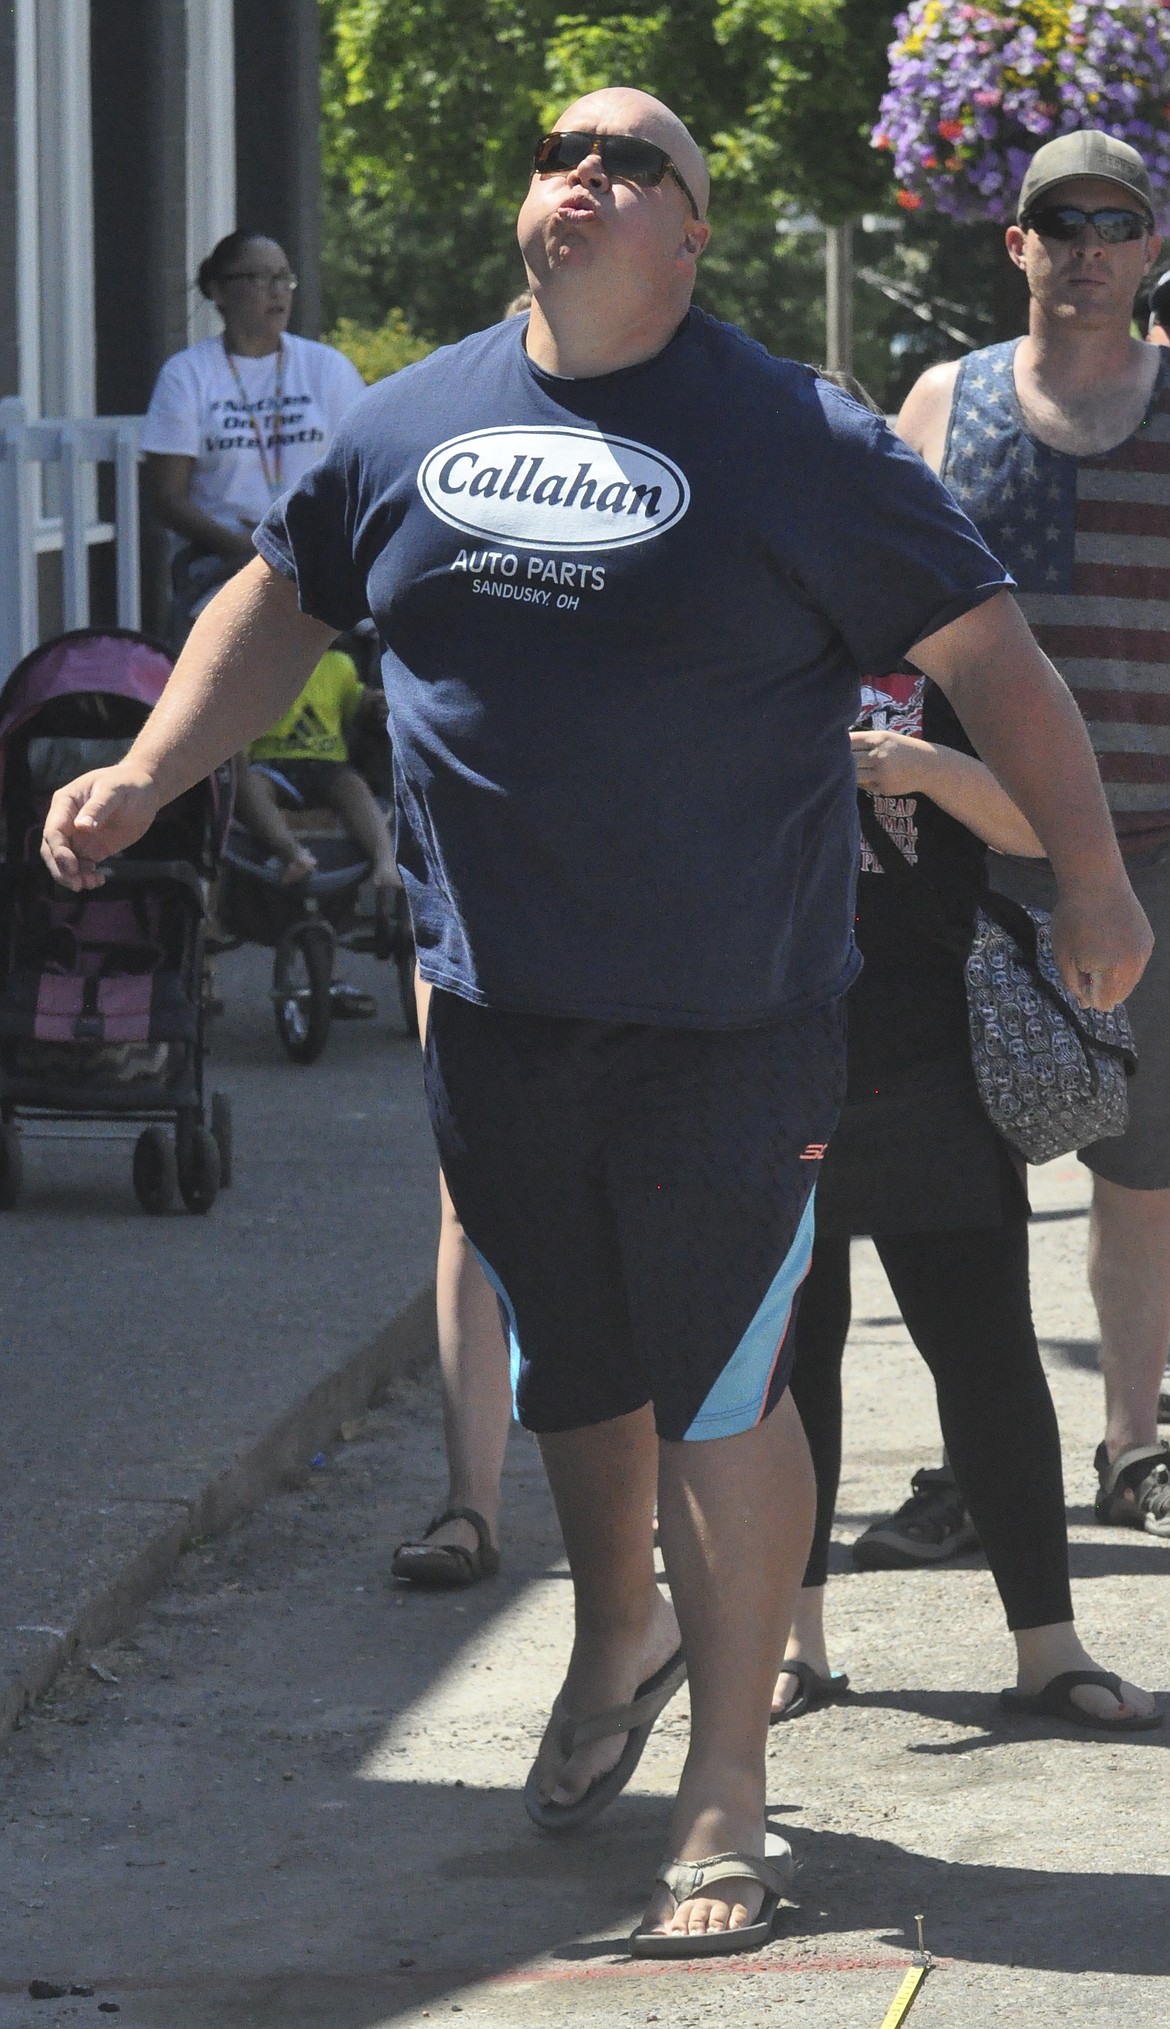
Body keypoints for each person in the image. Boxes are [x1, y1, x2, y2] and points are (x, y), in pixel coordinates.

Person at [41, 90, 1151, 1955]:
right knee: (580, 1375)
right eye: (567, 150)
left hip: (738, 1013)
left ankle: (730, 1777)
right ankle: (606, 1626)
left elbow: (990, 654)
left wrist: (1097, 879)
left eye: (644, 163)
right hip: (497, 1008)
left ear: (697, 234)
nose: (593, 175)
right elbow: (279, 597)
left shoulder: (796, 434)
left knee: (725, 1381)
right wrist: (148, 768)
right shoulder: (410, 420)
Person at [773, 653, 1159, 1732]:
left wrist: (922, 764)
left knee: (986, 1347)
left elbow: (1046, 825)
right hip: (769, 1036)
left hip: (934, 1042)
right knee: (791, 1359)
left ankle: (1050, 1646)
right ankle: (790, 1642)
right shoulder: (734, 619)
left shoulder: (958, 645)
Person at [894, 129, 1170, 1546]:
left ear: (1149, 247)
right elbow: (868, 616)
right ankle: (976, 1460)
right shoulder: (942, 403)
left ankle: (1133, 1443)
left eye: (1109, 222)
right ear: (1013, 245)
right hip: (966, 849)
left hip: (1149, 850)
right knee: (957, 1181)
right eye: (1053, 222)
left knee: (1142, 1170)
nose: (1080, 247)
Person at [140, 229, 365, 645]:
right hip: (223, 561)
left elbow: (363, 472)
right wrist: (251, 549)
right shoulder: (187, 374)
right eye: (260, 278)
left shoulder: (327, 369)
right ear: (219, 290)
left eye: (284, 278)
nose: (278, 291)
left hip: (318, 558)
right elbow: (168, 499)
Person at [235, 639, 401, 891]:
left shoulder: (340, 664)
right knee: (250, 787)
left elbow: (354, 699)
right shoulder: (258, 665)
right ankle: (294, 854)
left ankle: (386, 863)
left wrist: (373, 703)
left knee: (355, 788)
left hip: (328, 765)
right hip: (271, 764)